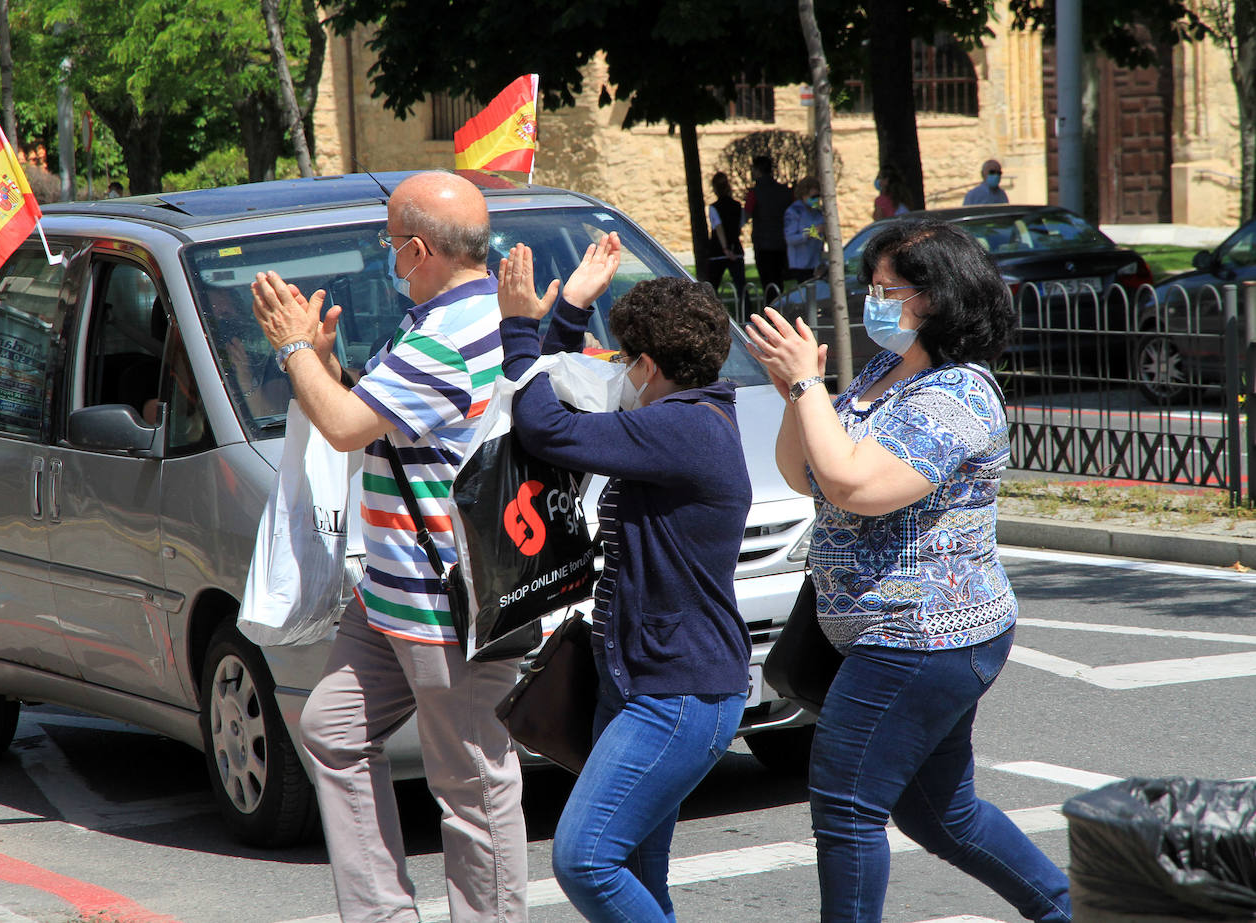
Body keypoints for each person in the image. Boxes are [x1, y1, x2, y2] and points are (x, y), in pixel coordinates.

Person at [743, 219, 1071, 923]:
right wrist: (794, 393)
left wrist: (806, 383)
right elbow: (805, 474)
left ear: (938, 296)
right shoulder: (882, 373)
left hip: (922, 634)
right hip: (890, 633)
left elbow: (859, 487)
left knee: (845, 804)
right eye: (873, 287)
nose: (874, 301)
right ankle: (1072, 908)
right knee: (942, 815)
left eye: (887, 288)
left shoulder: (957, 395)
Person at [250, 171, 527, 923]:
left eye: (388, 244)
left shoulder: (446, 334)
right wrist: (327, 366)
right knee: (333, 729)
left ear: (416, 247)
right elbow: (375, 418)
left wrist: (295, 351)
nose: (386, 257)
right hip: (393, 592)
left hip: (444, 601)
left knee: (472, 786)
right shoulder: (448, 315)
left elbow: (343, 428)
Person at [497, 237, 751, 923]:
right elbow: (570, 395)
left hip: (678, 692)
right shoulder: (672, 415)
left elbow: (544, 423)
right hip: (635, 679)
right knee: (640, 873)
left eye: (622, 359)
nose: (615, 371)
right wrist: (571, 311)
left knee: (584, 857)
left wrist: (520, 326)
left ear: (648, 365)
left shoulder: (684, 429)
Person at [745, 155, 793, 304]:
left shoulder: (755, 193)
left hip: (763, 243)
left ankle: (772, 312)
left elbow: (746, 215)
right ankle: (780, 308)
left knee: (767, 283)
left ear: (757, 170)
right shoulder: (784, 191)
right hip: (781, 242)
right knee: (778, 281)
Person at [705, 171, 746, 304]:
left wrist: (725, 248)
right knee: (741, 286)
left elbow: (719, 228)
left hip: (719, 250)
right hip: (735, 248)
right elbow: (739, 227)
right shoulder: (737, 206)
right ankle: (747, 313)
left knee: (712, 286)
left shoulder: (714, 207)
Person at [783, 176, 824, 286]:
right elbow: (790, 239)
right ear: (804, 195)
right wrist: (811, 233)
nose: (816, 199)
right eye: (813, 196)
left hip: (815, 263)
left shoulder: (818, 212)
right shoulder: (794, 212)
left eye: (818, 196)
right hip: (800, 265)